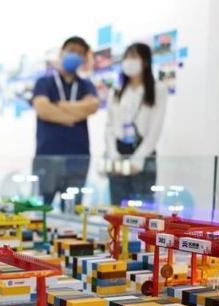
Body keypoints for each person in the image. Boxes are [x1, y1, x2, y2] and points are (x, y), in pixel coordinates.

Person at [32, 36, 100, 207]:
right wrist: (74, 114)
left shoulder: (86, 85)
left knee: (73, 210)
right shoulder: (44, 82)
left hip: (78, 157)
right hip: (47, 156)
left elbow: (92, 106)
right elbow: (42, 109)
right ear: (62, 52)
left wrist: (59, 106)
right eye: (71, 50)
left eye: (79, 53)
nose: (75, 55)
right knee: (40, 209)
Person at [105, 42, 167, 206]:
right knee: (117, 208)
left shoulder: (158, 89)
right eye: (126, 57)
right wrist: (114, 155)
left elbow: (155, 130)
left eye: (133, 57)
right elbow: (109, 127)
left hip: (143, 154)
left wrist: (138, 159)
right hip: (118, 154)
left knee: (142, 208)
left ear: (145, 61)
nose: (128, 61)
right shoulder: (116, 91)